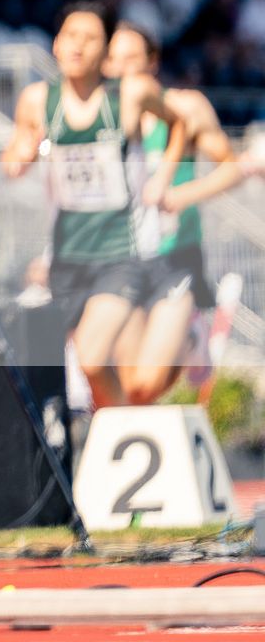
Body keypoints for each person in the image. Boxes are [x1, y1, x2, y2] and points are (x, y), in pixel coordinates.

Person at [1, 2, 184, 411]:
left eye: (90, 39)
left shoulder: (131, 95)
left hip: (122, 253)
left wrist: (163, 176)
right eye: (70, 36)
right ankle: (123, 428)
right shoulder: (36, 100)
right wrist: (22, 155)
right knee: (112, 375)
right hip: (68, 256)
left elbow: (179, 123)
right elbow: (13, 155)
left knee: (91, 353)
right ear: (55, 44)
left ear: (106, 52)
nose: (78, 46)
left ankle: (119, 437)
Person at [102, 24, 243, 404]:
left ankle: (189, 333)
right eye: (114, 59)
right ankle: (188, 343)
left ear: (153, 61)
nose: (124, 68)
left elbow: (231, 166)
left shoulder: (186, 106)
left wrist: (181, 194)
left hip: (175, 255)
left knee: (144, 383)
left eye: (133, 58)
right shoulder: (103, 117)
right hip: (122, 258)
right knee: (130, 387)